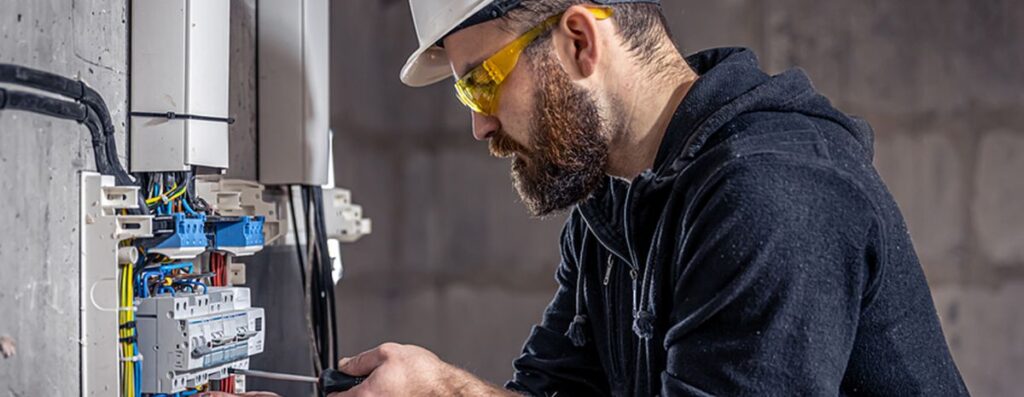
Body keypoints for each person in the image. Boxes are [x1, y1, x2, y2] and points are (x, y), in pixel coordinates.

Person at [212, 0, 970, 395]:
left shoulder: (771, 194)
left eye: (481, 80)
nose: (478, 124)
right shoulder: (613, 210)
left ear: (579, 40)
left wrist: (446, 390)